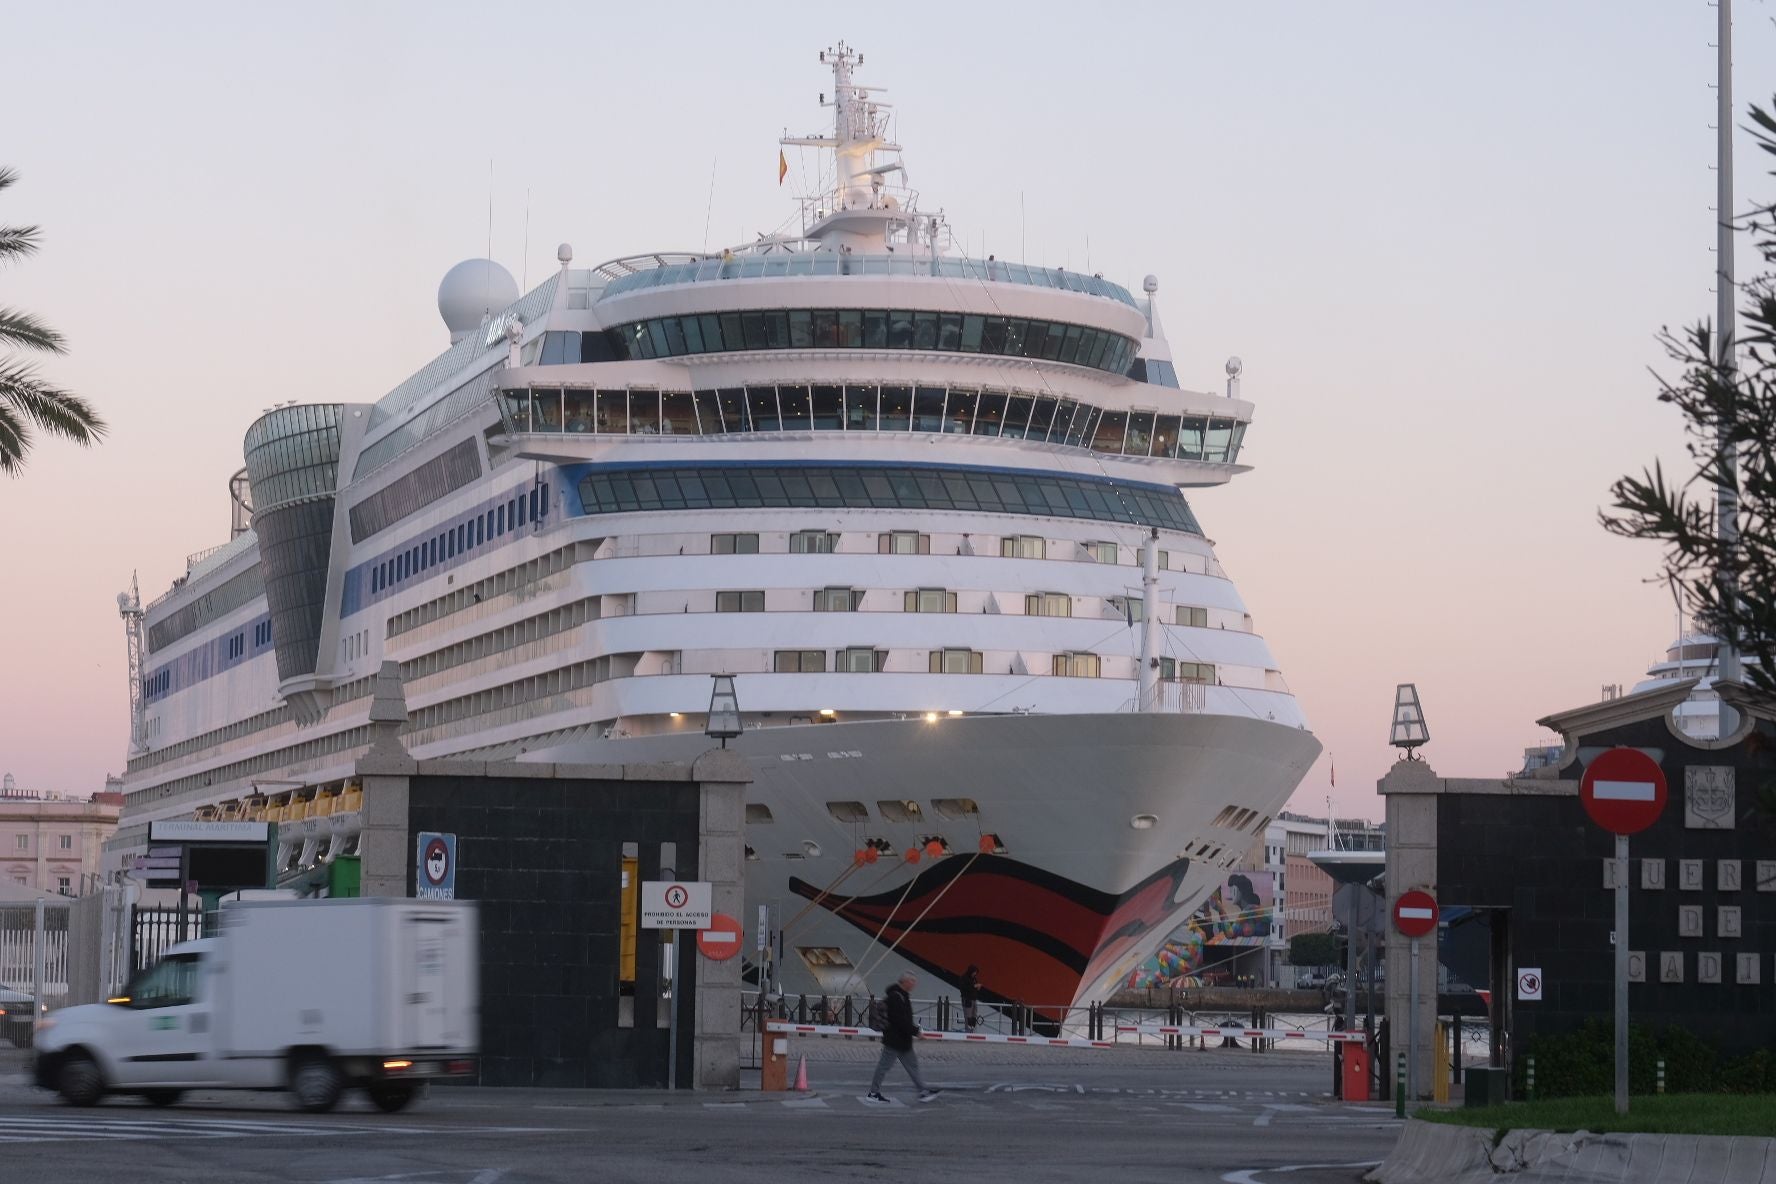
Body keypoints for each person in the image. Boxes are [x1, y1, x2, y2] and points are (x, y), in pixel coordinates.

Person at [865, 973, 939, 1104]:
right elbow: (899, 1020)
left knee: (913, 1066)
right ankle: (873, 1093)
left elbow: (903, 1019)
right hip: (894, 1040)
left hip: (902, 1040)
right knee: (883, 1067)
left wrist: (913, 1032)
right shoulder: (896, 997)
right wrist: (916, 1032)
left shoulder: (901, 995)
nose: (914, 984)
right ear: (904, 982)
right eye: (912, 981)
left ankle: (923, 1091)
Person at [960, 965, 981, 1032]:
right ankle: (968, 1032)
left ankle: (973, 1031)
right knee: (968, 1017)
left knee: (974, 1016)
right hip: (967, 1000)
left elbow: (975, 987)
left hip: (974, 999)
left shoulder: (974, 978)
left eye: (976, 973)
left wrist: (978, 987)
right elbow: (963, 988)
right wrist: (974, 986)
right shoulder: (963, 978)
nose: (975, 974)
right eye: (974, 972)